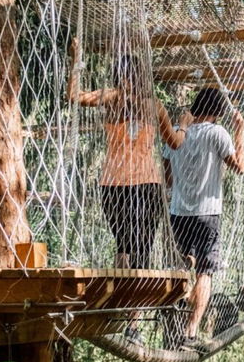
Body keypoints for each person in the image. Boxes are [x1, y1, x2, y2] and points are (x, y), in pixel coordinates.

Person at [69, 47, 179, 266]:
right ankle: (138, 293)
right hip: (145, 183)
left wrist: (77, 63)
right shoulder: (153, 106)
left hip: (114, 183)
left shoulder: (111, 99)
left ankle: (123, 292)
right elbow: (174, 143)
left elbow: (73, 96)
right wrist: (183, 127)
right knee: (141, 247)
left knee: (124, 246)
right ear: (141, 77)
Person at [164, 85, 244, 346]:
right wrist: (240, 132)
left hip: (178, 212)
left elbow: (167, 176)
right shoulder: (217, 133)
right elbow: (240, 167)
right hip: (207, 213)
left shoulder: (177, 134)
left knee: (180, 268)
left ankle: (179, 303)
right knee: (205, 273)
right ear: (218, 112)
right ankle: (190, 333)